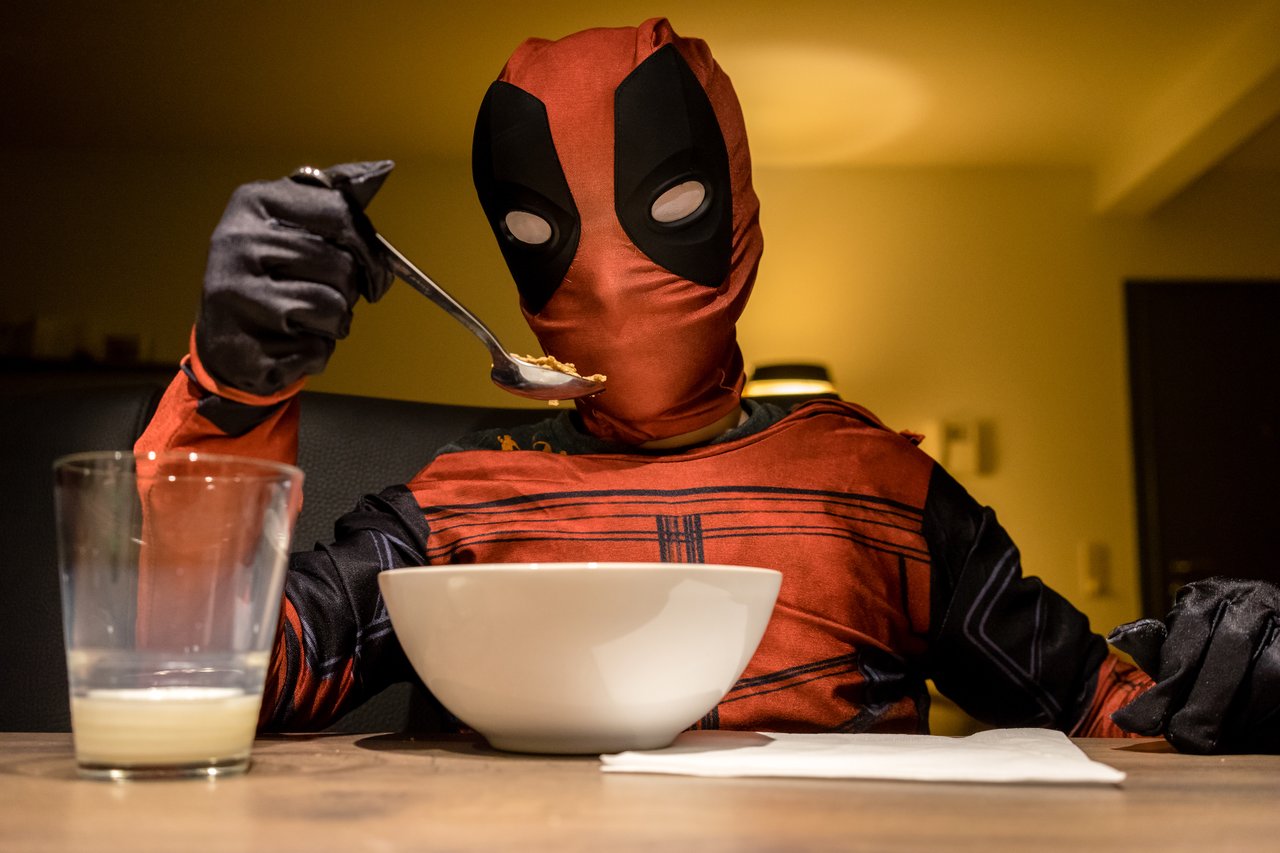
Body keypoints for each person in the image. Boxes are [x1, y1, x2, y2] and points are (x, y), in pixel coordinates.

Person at [135, 18, 1278, 754]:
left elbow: (1104, 708)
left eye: (665, 208)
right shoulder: (457, 507)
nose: (610, 277)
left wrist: (1234, 669)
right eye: (543, 230)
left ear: (731, 210)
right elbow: (214, 675)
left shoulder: (875, 486)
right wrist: (228, 393)